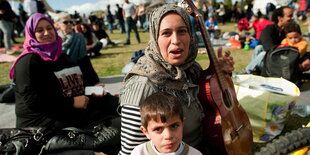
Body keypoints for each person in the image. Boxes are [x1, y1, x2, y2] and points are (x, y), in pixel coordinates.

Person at [119, 5, 234, 155]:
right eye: (166, 33)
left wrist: (219, 74)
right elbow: (129, 151)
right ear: (155, 38)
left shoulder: (192, 69)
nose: (176, 40)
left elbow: (213, 104)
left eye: (182, 31)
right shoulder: (142, 86)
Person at [10, 13, 120, 131]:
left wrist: (92, 90)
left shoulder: (61, 56)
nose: (46, 33)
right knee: (114, 124)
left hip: (70, 108)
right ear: (31, 34)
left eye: (49, 28)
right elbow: (34, 102)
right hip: (44, 123)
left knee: (109, 100)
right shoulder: (28, 62)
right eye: (40, 30)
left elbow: (75, 84)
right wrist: (72, 102)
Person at [131, 92, 203, 155]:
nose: (168, 136)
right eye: (158, 129)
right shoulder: (139, 152)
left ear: (182, 124)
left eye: (174, 126)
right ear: (146, 132)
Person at [239, 6, 294, 74]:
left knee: (263, 53)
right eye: (290, 16)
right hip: (271, 61)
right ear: (280, 18)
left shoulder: (290, 31)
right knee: (259, 48)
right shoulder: (268, 30)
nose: (293, 18)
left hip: (280, 62)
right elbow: (269, 48)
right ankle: (250, 70)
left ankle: (248, 70)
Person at [57, 14, 100, 86]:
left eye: (71, 22)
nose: (69, 24)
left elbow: (83, 58)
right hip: (61, 72)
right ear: (58, 25)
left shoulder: (79, 37)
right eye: (65, 22)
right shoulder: (55, 39)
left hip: (77, 69)